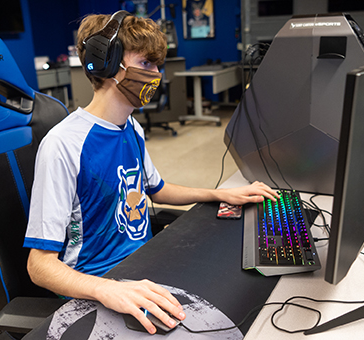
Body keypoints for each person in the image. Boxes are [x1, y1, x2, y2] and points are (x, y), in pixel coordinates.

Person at [24, 12, 278, 335]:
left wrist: (220, 195)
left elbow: (155, 188)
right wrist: (107, 290)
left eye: (158, 65)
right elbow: (39, 265)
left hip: (143, 267)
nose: (157, 75)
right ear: (106, 63)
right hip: (97, 286)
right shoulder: (63, 145)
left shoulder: (131, 128)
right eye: (146, 63)